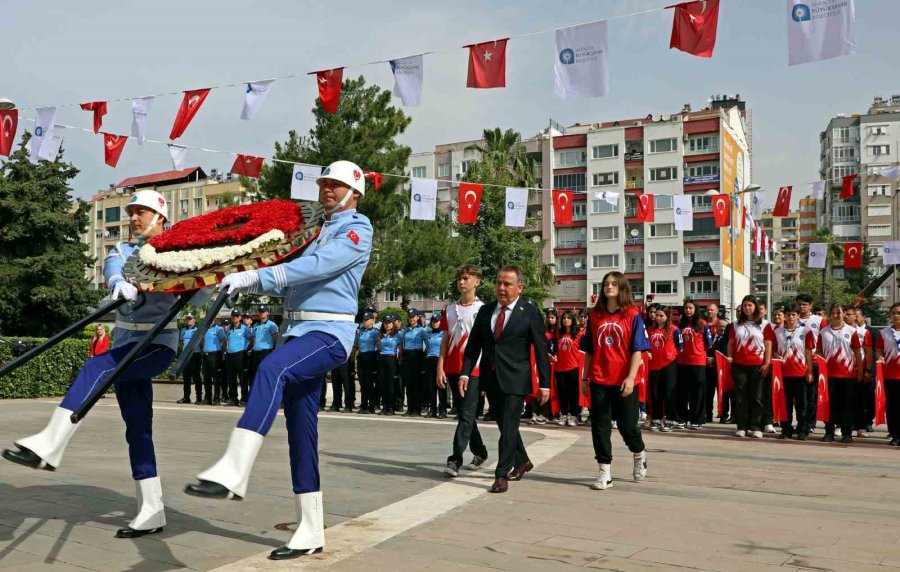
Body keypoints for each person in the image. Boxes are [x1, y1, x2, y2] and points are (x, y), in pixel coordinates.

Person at [183, 159, 372, 560]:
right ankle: (310, 528)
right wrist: (243, 278)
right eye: (324, 183)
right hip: (298, 331)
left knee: (273, 368)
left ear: (355, 192)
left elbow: (318, 267)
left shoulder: (358, 229)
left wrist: (260, 277)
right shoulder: (318, 231)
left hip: (329, 334)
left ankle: (234, 468)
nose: (327, 190)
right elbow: (296, 282)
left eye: (336, 185)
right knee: (301, 433)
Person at [3, 189, 204, 539]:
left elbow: (200, 293)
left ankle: (52, 441)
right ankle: (152, 509)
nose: (134, 218)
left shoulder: (178, 250)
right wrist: (118, 284)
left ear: (160, 217)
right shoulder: (123, 250)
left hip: (157, 344)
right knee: (137, 428)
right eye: (132, 212)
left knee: (96, 367)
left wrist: (196, 280)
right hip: (126, 342)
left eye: (141, 212)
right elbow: (113, 269)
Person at [459, 265, 550, 494]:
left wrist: (545, 384)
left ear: (520, 287)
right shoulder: (486, 310)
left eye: (507, 284)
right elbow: (473, 346)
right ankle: (522, 461)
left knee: (509, 425)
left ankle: (501, 474)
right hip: (490, 378)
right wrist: (465, 372)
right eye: (499, 283)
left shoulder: (529, 312)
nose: (501, 288)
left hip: (516, 379)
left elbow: (541, 351)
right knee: (504, 424)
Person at [581, 271, 650, 490]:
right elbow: (589, 350)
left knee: (627, 426)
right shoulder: (595, 316)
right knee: (600, 427)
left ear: (621, 287)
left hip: (625, 381)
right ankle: (604, 471)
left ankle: (639, 453)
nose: (609, 287)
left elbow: (638, 350)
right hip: (600, 379)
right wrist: (585, 377)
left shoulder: (632, 315)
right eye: (605, 284)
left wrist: (631, 378)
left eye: (613, 283)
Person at [439, 264, 490, 478]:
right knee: (464, 414)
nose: (462, 282)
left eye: (467, 278)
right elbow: (445, 339)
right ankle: (480, 452)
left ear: (477, 281)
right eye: (459, 278)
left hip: (474, 369)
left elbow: (488, 343)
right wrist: (440, 366)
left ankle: (455, 460)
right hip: (452, 367)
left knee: (467, 414)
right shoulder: (450, 310)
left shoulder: (484, 310)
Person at [818, 302, 863, 444]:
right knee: (829, 405)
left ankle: (847, 433)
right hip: (828, 376)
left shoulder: (852, 331)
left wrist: (860, 372)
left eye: (839, 312)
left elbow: (857, 353)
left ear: (844, 314)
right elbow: (818, 350)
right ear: (830, 315)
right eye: (834, 313)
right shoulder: (823, 332)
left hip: (848, 375)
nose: (836, 315)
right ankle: (829, 432)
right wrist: (820, 359)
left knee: (847, 405)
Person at [728, 295, 772, 439]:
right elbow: (731, 343)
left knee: (757, 397)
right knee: (741, 397)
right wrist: (730, 358)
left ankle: (756, 426)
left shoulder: (765, 324)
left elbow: (768, 344)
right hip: (739, 365)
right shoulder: (736, 324)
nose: (747, 308)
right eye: (745, 305)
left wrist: (766, 362)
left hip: (757, 365)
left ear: (755, 307)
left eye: (750, 305)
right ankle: (742, 427)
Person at [773, 306, 815, 440]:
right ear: (785, 316)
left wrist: (810, 371)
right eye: (789, 315)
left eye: (794, 315)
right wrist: (776, 355)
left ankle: (802, 429)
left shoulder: (806, 331)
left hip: (800, 373)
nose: (791, 318)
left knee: (802, 404)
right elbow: (773, 349)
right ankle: (786, 429)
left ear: (798, 316)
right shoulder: (778, 332)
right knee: (785, 404)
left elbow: (808, 353)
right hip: (783, 374)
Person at [676, 301, 712, 430]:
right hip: (682, 362)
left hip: (698, 362)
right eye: (686, 308)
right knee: (682, 392)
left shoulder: (703, 324)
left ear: (695, 309)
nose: (688, 310)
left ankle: (697, 419)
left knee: (698, 393)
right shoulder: (680, 325)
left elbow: (709, 343)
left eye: (690, 308)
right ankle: (681, 419)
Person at [646, 304, 681, 432]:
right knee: (655, 393)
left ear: (667, 317)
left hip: (669, 365)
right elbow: (646, 345)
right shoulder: (650, 330)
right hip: (653, 365)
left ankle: (670, 420)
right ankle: (656, 419)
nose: (658, 318)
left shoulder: (673, 329)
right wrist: (647, 352)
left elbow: (680, 346)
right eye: (657, 315)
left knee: (669, 393)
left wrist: (670, 355)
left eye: (662, 316)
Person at [796, 293, 826, 434]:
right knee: (799, 397)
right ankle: (800, 423)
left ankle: (810, 423)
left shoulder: (819, 320)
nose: (802, 307)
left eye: (805, 304)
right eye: (800, 304)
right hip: (796, 362)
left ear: (810, 305)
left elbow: (824, 340)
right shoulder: (792, 318)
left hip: (813, 361)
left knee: (811, 395)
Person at [874, 302, 900, 446]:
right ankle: (895, 434)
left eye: (899, 313)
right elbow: (878, 349)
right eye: (893, 313)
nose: (896, 316)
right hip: (890, 376)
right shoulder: (884, 333)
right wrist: (880, 356)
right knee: (892, 407)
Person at [555, 311, 582, 427]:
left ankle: (574, 415)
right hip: (560, 368)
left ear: (573, 320)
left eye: (568, 318)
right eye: (564, 318)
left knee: (573, 394)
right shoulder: (558, 334)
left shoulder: (578, 334)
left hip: (573, 368)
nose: (566, 320)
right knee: (562, 393)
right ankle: (564, 414)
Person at [247, 305, 279, 398]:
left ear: (267, 313)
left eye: (264, 311)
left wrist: (273, 350)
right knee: (255, 374)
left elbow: (276, 338)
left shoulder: (271, 325)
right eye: (260, 311)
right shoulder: (256, 325)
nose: (262, 313)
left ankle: (268, 396)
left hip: (266, 352)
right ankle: (257, 395)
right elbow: (253, 339)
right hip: (256, 353)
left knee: (266, 374)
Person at [400, 311, 427, 417]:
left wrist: (423, 358)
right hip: (407, 356)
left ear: (417, 317)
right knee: (408, 383)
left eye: (413, 317)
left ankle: (417, 409)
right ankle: (410, 408)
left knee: (417, 384)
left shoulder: (422, 330)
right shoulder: (406, 330)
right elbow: (402, 344)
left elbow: (427, 345)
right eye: (409, 317)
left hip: (417, 355)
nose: (411, 319)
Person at [854, 308, 875, 437]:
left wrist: (870, 370)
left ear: (863, 317)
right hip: (854, 370)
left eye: (857, 316)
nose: (854, 318)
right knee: (857, 399)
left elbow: (874, 352)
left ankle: (868, 421)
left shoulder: (872, 332)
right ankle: (859, 423)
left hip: (869, 371)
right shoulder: (850, 330)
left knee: (869, 399)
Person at [223, 310, 252, 406]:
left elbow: (252, 340)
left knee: (243, 378)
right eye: (233, 315)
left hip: (241, 355)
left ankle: (244, 399)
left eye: (236, 315)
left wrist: (247, 350)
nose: (235, 317)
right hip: (229, 355)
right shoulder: (228, 329)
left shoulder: (245, 328)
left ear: (240, 317)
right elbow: (225, 340)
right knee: (231, 378)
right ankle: (233, 399)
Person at [355, 312, 379, 414]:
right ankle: (364, 405)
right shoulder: (360, 331)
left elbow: (378, 345)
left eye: (367, 320)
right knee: (362, 383)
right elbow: (357, 344)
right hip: (361, 356)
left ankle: (372, 406)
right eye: (364, 320)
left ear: (372, 320)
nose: (364, 321)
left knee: (369, 383)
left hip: (371, 356)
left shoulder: (376, 332)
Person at [377, 316, 401, 415]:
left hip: (392, 359)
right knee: (383, 383)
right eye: (386, 323)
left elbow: (401, 349)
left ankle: (391, 407)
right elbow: (378, 347)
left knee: (391, 384)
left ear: (393, 324)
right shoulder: (380, 335)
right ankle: (385, 406)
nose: (387, 325)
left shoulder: (396, 335)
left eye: (390, 323)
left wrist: (397, 361)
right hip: (382, 359)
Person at [709, 319, 732, 423]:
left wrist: (714, 359)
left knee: (723, 393)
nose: (722, 328)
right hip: (710, 369)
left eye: (724, 326)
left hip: (722, 369)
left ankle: (723, 414)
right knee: (708, 393)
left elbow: (725, 352)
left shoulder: (727, 340)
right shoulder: (711, 337)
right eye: (720, 326)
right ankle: (708, 414)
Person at [424, 315, 446, 418]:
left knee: (441, 386)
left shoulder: (444, 333)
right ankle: (432, 410)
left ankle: (442, 410)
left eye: (436, 321)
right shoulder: (428, 334)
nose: (435, 323)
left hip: (440, 360)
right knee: (430, 387)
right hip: (430, 360)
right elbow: (426, 348)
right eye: (433, 321)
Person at [178, 314, 203, 404]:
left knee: (196, 377)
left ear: (194, 319)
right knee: (186, 377)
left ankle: (199, 398)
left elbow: (202, 342)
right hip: (185, 356)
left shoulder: (198, 329)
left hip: (195, 355)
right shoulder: (183, 330)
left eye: (190, 318)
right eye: (187, 319)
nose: (188, 320)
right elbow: (180, 342)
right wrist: (184, 350)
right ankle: (186, 397)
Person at [203, 319, 227, 405]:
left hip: (215, 355)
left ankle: (217, 399)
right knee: (206, 377)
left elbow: (224, 341)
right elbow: (202, 341)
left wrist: (222, 352)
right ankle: (207, 398)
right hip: (206, 355)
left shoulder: (218, 328)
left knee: (216, 378)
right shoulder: (204, 328)